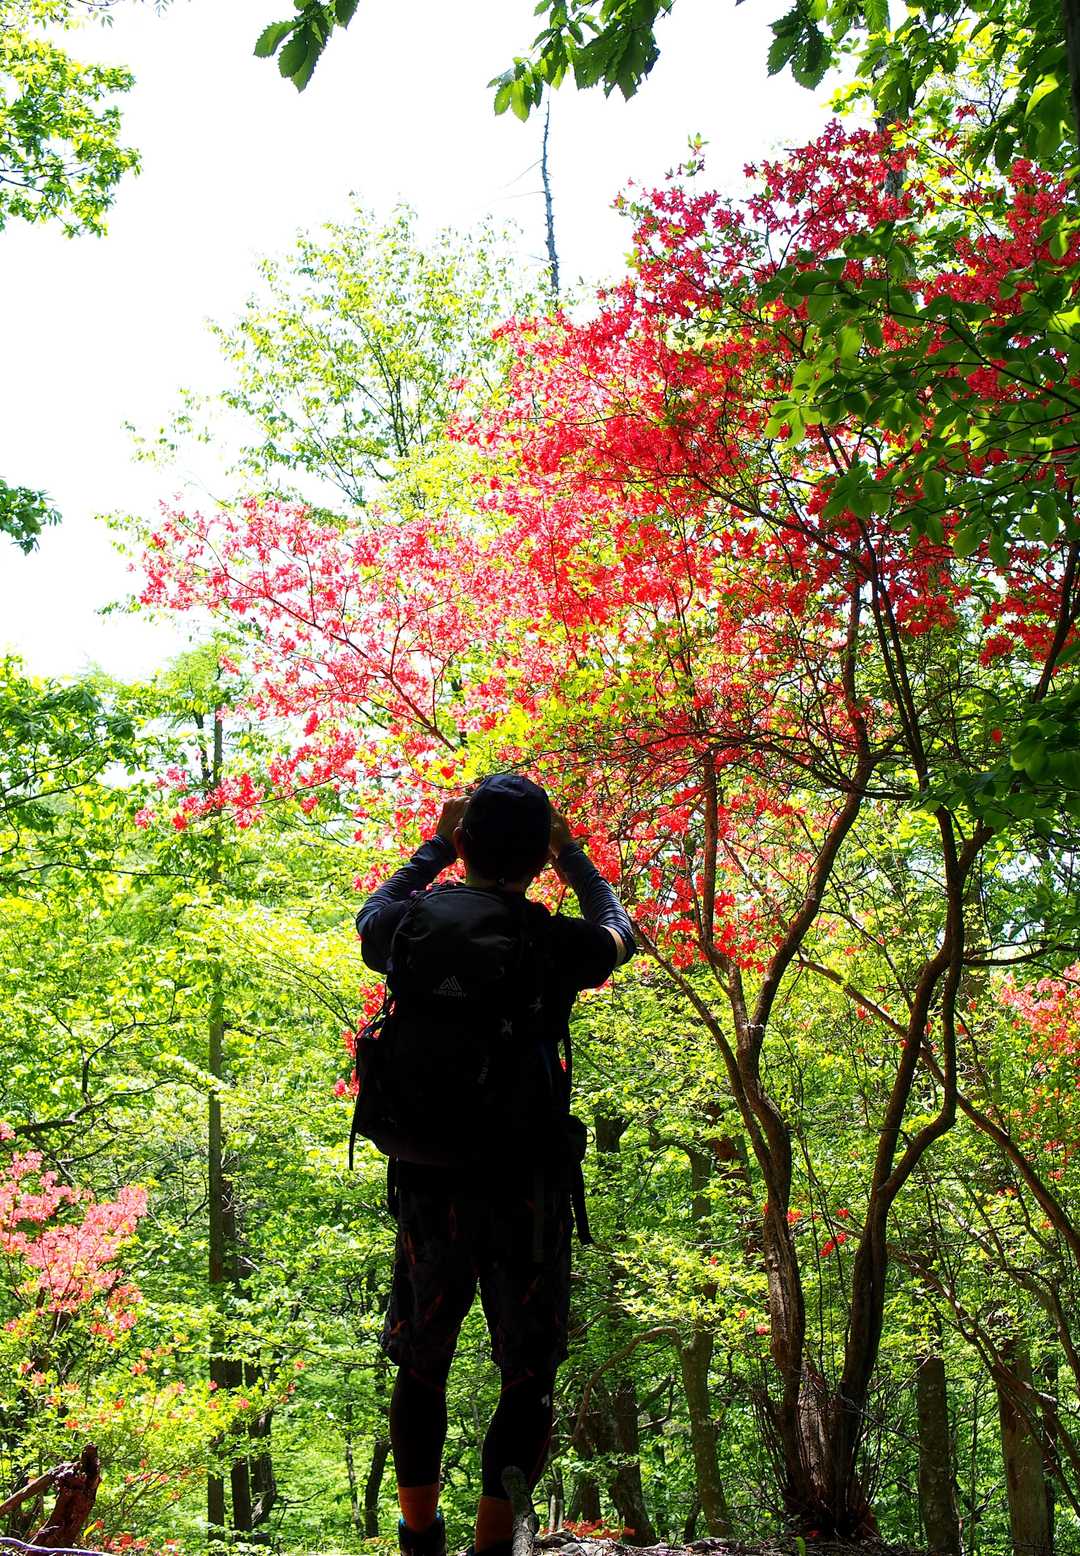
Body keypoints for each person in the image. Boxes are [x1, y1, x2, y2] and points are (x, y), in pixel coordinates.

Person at [354, 773, 635, 1556]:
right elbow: (619, 932)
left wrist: (433, 847)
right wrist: (574, 856)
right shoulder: (552, 943)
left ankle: (420, 1538)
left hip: (427, 1178)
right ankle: (491, 1548)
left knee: (422, 1363)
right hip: (527, 1188)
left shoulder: (409, 927)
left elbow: (370, 916)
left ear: (466, 843)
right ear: (538, 860)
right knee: (527, 1374)